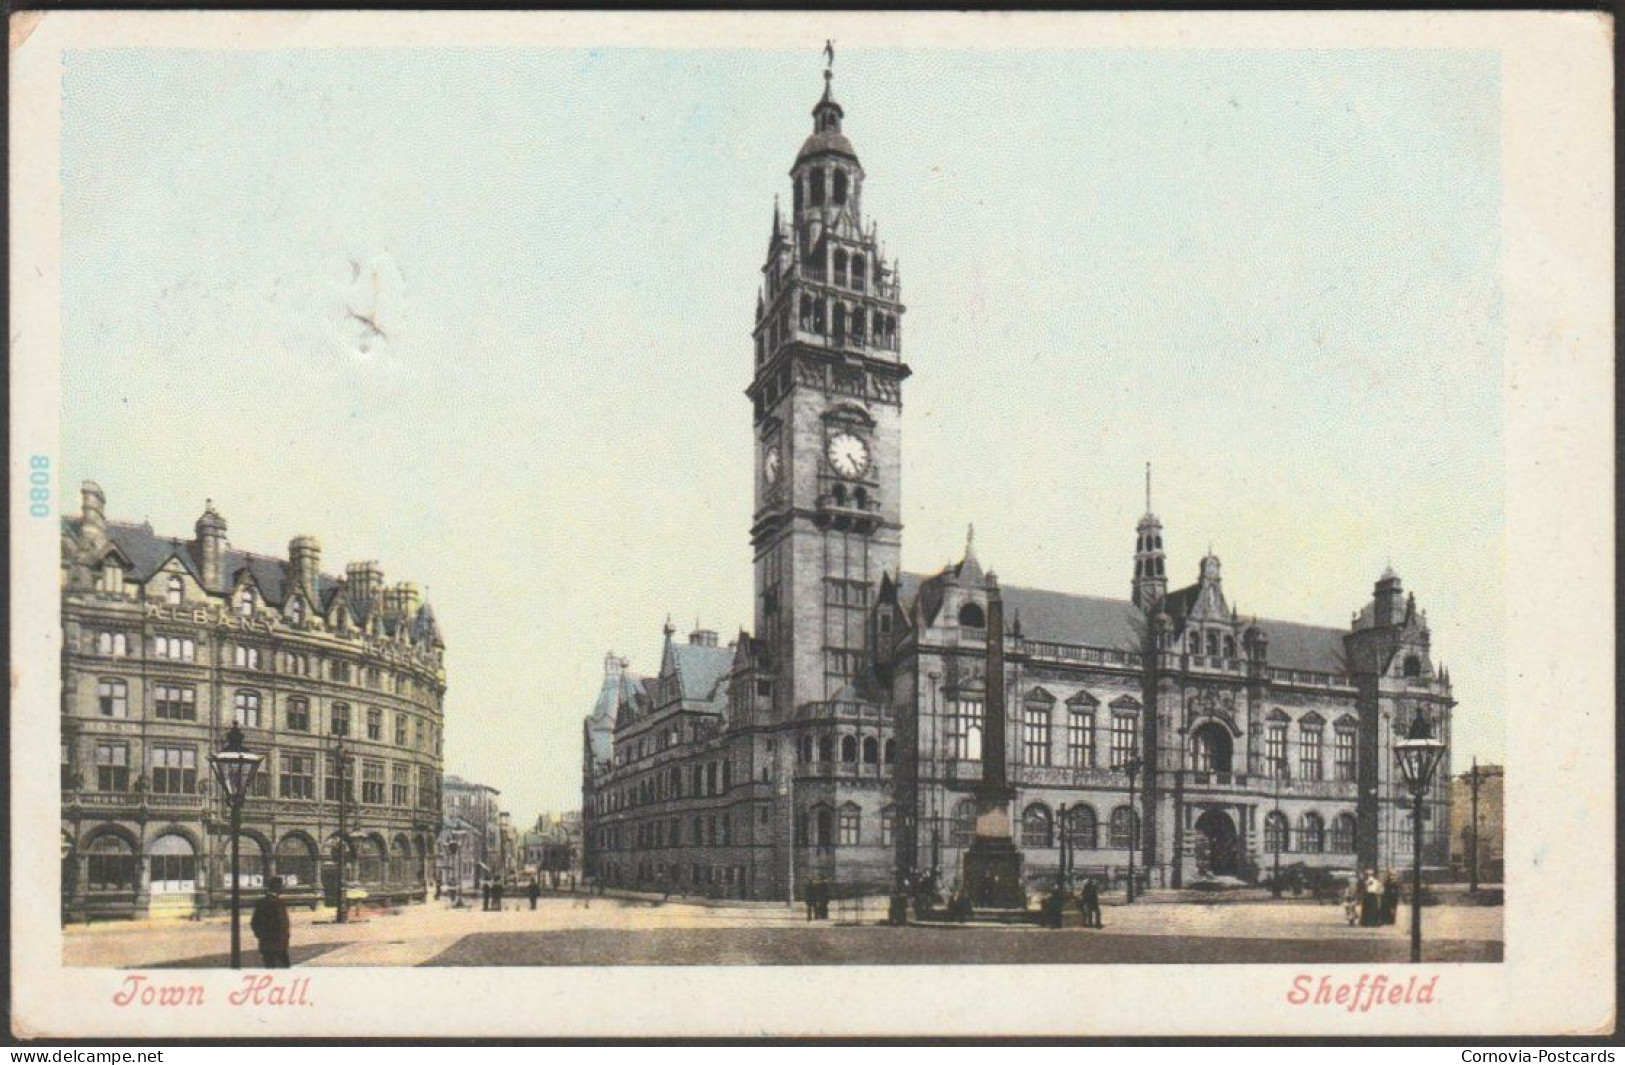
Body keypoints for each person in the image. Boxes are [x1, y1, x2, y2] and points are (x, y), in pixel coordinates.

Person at [249, 877, 292, 969]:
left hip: (266, 945)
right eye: (281, 887)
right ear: (277, 887)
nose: (282, 889)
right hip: (279, 946)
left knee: (269, 968)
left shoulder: (261, 902)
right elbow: (282, 924)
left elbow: (254, 922)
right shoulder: (278, 903)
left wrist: (261, 936)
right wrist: (284, 938)